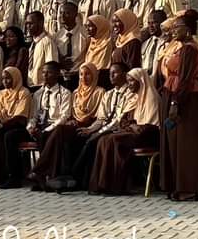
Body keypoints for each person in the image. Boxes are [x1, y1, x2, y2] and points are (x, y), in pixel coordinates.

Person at [159, 10, 198, 201]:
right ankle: (176, 185)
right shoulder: (179, 47)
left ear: (188, 29)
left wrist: (175, 103)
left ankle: (189, 188)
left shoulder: (190, 48)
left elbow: (184, 79)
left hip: (186, 100)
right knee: (175, 144)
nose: (174, 31)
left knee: (186, 145)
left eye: (178, 27)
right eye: (173, 27)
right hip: (174, 94)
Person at [51, 62, 134, 191]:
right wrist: (90, 129)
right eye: (110, 73)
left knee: (91, 142)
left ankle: (71, 177)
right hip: (104, 127)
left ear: (124, 74)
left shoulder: (130, 94)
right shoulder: (109, 94)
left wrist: (99, 132)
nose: (111, 76)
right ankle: (75, 178)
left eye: (115, 73)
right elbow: (101, 119)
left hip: (116, 129)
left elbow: (118, 120)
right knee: (77, 137)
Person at [30, 63, 103, 190]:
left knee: (55, 131)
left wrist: (83, 122)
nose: (83, 77)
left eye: (87, 74)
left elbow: (98, 116)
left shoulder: (99, 92)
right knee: (46, 134)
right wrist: (31, 127)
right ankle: (46, 179)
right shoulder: (75, 92)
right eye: (81, 74)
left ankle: (40, 171)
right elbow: (71, 115)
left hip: (87, 126)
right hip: (71, 125)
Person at [89, 67, 160, 195]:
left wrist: (134, 126)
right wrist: (132, 126)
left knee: (115, 140)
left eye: (132, 81)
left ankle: (116, 186)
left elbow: (151, 125)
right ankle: (101, 184)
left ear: (141, 81)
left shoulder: (151, 98)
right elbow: (124, 120)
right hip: (134, 132)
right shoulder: (133, 98)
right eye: (128, 81)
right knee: (104, 140)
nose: (129, 84)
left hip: (148, 135)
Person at [23, 63, 72, 190]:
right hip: (40, 125)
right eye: (43, 72)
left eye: (48, 72)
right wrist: (31, 127)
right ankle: (43, 178)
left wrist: (46, 130)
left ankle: (40, 173)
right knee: (39, 134)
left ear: (57, 74)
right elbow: (33, 115)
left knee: (50, 135)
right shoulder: (38, 94)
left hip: (54, 126)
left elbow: (64, 116)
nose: (45, 75)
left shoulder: (65, 93)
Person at [54, 2, 88, 89]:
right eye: (61, 13)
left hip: (80, 77)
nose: (62, 16)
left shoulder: (85, 34)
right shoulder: (56, 36)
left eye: (67, 13)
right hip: (62, 78)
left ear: (75, 15)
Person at [24, 11, 58, 89]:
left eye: (31, 24)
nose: (28, 27)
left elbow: (51, 66)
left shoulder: (47, 42)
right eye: (27, 24)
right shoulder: (33, 43)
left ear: (40, 23)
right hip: (31, 85)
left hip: (42, 86)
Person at [81, 15, 113, 87]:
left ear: (100, 27)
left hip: (102, 81)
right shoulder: (92, 42)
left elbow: (103, 66)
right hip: (89, 80)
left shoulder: (107, 44)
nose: (87, 29)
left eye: (90, 26)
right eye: (86, 26)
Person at [142, 10, 169, 80]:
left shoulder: (168, 43)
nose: (150, 26)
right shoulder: (145, 44)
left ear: (163, 23)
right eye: (149, 23)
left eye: (154, 22)